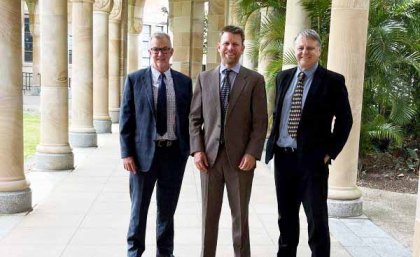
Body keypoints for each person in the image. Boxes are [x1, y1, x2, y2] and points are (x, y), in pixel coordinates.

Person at [265, 29, 353, 257]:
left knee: (316, 219)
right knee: (286, 218)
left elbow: (345, 121)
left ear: (319, 51)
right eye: (301, 48)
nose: (305, 52)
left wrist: (329, 152)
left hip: (312, 162)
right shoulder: (283, 77)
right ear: (295, 50)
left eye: (310, 48)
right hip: (283, 159)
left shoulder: (332, 81)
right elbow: (278, 114)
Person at [189, 25, 268, 257]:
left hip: (240, 161)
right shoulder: (204, 78)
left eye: (235, 44)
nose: (230, 48)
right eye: (226, 43)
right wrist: (197, 150)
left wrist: (252, 153)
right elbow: (194, 119)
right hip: (209, 160)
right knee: (208, 218)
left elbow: (260, 122)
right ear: (218, 46)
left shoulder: (254, 80)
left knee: (240, 219)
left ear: (242, 48)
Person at [120, 32, 192, 257]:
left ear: (172, 52)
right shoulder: (134, 79)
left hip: (173, 156)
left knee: (167, 211)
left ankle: (165, 253)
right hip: (142, 157)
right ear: (149, 52)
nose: (160, 53)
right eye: (155, 49)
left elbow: (191, 118)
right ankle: (134, 252)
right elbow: (126, 119)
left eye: (164, 49)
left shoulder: (184, 82)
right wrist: (126, 154)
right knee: (138, 210)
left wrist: (189, 149)